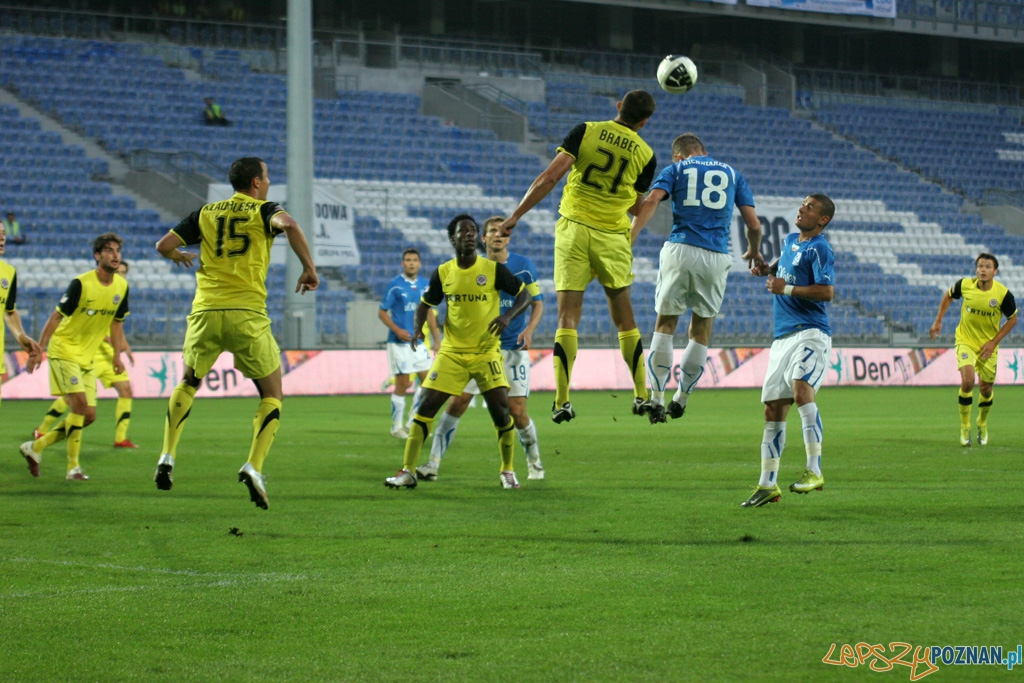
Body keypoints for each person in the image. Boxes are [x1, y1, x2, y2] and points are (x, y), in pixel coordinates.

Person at [151, 156, 318, 510]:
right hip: (246, 315)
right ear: (256, 183)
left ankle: (167, 455)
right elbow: (288, 224)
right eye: (267, 177)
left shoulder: (205, 213)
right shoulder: (263, 209)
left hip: (206, 312)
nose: (269, 182)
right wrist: (308, 268)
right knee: (273, 393)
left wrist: (179, 255)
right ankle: (253, 467)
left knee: (189, 381)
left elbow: (162, 245)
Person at [499, 90, 659, 423]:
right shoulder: (646, 155)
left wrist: (515, 215)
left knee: (567, 318)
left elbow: (550, 177)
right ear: (644, 122)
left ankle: (561, 400)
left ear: (618, 107)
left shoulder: (586, 131)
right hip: (613, 237)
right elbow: (636, 205)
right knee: (625, 319)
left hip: (573, 229)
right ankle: (642, 395)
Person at [384, 214, 532, 490]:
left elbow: (524, 296)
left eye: (473, 231)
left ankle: (508, 470)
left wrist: (508, 316)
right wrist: (418, 329)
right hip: (452, 353)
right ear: (453, 238)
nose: (469, 234)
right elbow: (424, 304)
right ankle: (408, 471)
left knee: (502, 412)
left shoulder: (493, 269)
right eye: (464, 231)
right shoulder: (443, 272)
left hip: (486, 352)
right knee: (425, 407)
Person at [630, 133, 762, 424]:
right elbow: (753, 224)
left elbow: (652, 200)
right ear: (704, 151)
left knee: (665, 324)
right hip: (715, 255)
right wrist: (754, 250)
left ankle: (656, 399)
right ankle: (682, 398)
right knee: (700, 329)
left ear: (679, 155)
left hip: (680, 249)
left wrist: (631, 236)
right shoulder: (732, 174)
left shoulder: (676, 169)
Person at [418, 215, 545, 482]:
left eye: (503, 232)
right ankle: (432, 463)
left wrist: (528, 329)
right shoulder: (473, 267)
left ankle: (534, 462)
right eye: (492, 232)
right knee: (457, 403)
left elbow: (535, 301)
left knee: (517, 412)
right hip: (476, 350)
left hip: (511, 349)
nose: (498, 236)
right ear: (482, 238)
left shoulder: (523, 266)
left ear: (508, 238)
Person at [742, 195, 835, 508]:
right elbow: (783, 268)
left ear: (822, 220)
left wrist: (787, 289)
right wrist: (766, 269)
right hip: (782, 337)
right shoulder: (790, 240)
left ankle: (815, 469)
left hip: (810, 333)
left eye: (810, 207)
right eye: (803, 204)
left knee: (800, 391)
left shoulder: (820, 247)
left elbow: (827, 291)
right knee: (772, 408)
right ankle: (767, 484)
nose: (802, 209)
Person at [20, 233, 130, 481]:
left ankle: (35, 447)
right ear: (97, 255)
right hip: (64, 349)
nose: (115, 255)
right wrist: (39, 350)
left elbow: (117, 322)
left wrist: (116, 356)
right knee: (79, 405)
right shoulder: (81, 283)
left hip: (88, 357)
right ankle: (73, 468)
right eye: (109, 250)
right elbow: (56, 317)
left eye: (118, 251)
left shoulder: (122, 287)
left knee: (89, 416)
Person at [33, 261, 138, 448]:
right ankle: (42, 429)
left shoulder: (119, 292)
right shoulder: (92, 288)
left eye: (123, 272)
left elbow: (117, 324)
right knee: (74, 400)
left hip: (107, 355)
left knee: (126, 390)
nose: (120, 275)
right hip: (85, 351)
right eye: (118, 271)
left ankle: (120, 438)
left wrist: (124, 350)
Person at [929, 253, 1017, 446]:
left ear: (995, 271)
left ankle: (982, 423)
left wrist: (994, 342)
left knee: (985, 389)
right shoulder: (965, 285)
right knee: (968, 382)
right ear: (976, 269)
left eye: (987, 267)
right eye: (980, 266)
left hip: (988, 346)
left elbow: (1013, 319)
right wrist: (938, 320)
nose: (982, 270)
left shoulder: (1002, 294)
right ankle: (965, 427)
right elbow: (948, 296)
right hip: (965, 341)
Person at [378, 248, 440, 439]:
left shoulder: (425, 285)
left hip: (419, 342)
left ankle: (413, 421)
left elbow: (429, 312)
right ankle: (396, 427)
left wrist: (437, 338)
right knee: (403, 383)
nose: (411, 263)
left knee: (427, 382)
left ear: (419, 264)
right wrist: (396, 330)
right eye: (408, 260)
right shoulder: (395, 285)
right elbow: (382, 312)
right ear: (402, 263)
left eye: (414, 260)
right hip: (399, 342)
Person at [0, 221, 42, 413]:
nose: (2, 238)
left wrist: (20, 336)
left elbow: (8, 310)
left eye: (3, 234)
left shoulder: (8, 272)